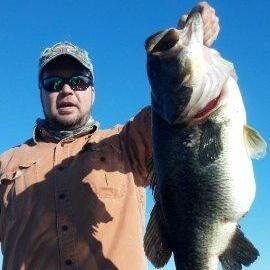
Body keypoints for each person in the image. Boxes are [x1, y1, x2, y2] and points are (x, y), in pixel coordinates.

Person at [0, 2, 220, 270]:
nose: (67, 90)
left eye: (79, 81)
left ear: (93, 92)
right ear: (41, 93)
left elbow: (177, 102)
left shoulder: (126, 142)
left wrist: (186, 41)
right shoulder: (6, 164)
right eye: (54, 83)